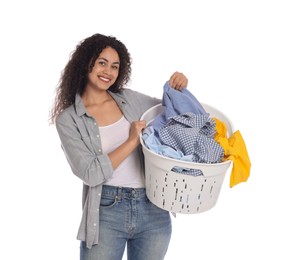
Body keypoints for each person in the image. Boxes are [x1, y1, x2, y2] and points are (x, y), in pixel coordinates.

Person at [49, 33, 188, 260]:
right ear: (86, 63)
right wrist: (132, 141)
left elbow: (174, 112)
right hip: (106, 211)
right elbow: (90, 172)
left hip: (153, 207)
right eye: (102, 63)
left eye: (114, 66)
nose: (108, 72)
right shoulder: (69, 119)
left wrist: (178, 88)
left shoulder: (129, 99)